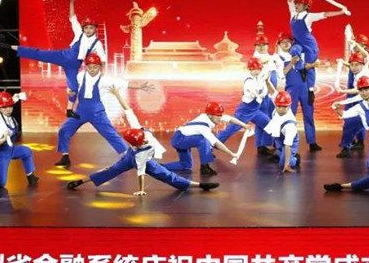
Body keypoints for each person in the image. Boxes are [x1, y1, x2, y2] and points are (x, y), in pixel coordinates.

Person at [4, 0, 106, 119]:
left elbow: (102, 59)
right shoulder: (79, 33)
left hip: (74, 66)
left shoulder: (97, 43)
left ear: (95, 29)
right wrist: (71, 3)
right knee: (39, 53)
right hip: (63, 56)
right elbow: (72, 17)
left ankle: (69, 110)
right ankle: (11, 47)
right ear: (83, 28)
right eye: (86, 27)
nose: (88, 30)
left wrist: (103, 74)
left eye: (91, 27)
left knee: (74, 88)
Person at [67, 128, 220, 194]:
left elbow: (141, 174)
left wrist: (141, 190)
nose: (144, 140)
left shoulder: (144, 138)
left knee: (168, 176)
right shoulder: (139, 149)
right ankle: (80, 181)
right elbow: (141, 174)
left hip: (140, 159)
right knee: (110, 170)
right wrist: (141, 190)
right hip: (134, 158)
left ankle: (199, 185)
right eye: (140, 141)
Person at [54, 53, 134, 167]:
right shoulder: (80, 76)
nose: (92, 70)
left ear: (100, 67)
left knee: (110, 134)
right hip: (80, 111)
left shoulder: (105, 80)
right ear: (85, 67)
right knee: (64, 130)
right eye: (89, 67)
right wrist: (69, 91)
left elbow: (126, 84)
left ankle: (129, 157)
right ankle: (65, 157)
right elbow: (72, 88)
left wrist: (141, 87)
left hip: (97, 112)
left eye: (95, 67)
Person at [285, 0, 346, 103]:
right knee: (294, 51)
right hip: (298, 44)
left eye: (299, 4)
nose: (296, 5)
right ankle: (301, 70)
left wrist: (340, 12)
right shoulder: (293, 14)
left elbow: (325, 14)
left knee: (310, 67)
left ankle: (311, 90)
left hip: (310, 46)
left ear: (306, 6)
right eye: (297, 3)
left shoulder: (309, 16)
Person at [163, 102, 249, 175]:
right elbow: (216, 143)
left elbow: (230, 119)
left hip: (182, 137)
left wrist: (244, 125)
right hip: (179, 139)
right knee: (203, 140)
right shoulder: (203, 127)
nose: (220, 118)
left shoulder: (212, 116)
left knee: (186, 165)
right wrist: (231, 154)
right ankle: (205, 167)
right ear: (209, 115)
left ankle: (160, 167)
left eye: (220, 115)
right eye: (217, 116)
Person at [216, 58, 275, 155]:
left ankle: (266, 145)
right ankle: (213, 144)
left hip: (255, 110)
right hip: (245, 110)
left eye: (258, 69)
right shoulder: (249, 81)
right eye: (254, 69)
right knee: (231, 129)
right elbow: (255, 92)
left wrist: (268, 69)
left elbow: (267, 74)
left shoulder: (259, 78)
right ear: (250, 69)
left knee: (269, 124)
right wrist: (259, 94)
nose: (256, 71)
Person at [275, 32, 321, 151]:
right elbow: (281, 74)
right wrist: (292, 63)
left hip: (305, 88)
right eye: (283, 42)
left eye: (288, 41)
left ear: (292, 42)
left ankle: (312, 142)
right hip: (291, 90)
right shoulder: (278, 58)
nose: (286, 44)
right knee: (288, 115)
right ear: (279, 44)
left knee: (309, 115)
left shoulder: (300, 53)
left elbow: (309, 69)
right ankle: (283, 142)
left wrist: (311, 89)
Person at [0, 91, 39, 188]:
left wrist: (16, 97)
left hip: (10, 149)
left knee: (26, 151)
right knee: (1, 182)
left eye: (10, 106)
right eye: (5, 107)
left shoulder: (6, 113)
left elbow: (10, 102)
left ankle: (30, 176)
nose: (8, 109)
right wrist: (4, 139)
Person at [263, 91, 301, 172]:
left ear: (289, 106)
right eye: (279, 106)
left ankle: (295, 159)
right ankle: (279, 153)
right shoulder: (277, 104)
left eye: (284, 107)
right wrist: (266, 82)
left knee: (282, 163)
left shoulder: (290, 125)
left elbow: (287, 145)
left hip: (290, 141)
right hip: (279, 136)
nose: (281, 109)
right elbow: (272, 91)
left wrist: (286, 165)